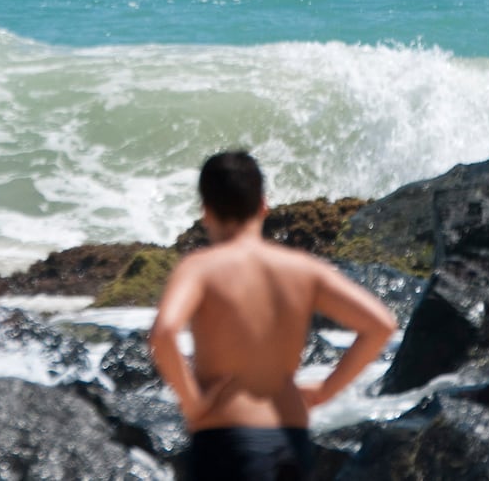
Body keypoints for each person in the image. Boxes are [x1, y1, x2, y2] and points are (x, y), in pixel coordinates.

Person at [149, 149, 397, 481]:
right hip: (290, 438)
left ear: (206, 211)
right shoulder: (302, 269)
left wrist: (193, 404)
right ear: (263, 205)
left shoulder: (200, 268)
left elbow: (164, 333)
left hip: (226, 437)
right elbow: (380, 325)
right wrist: (326, 390)